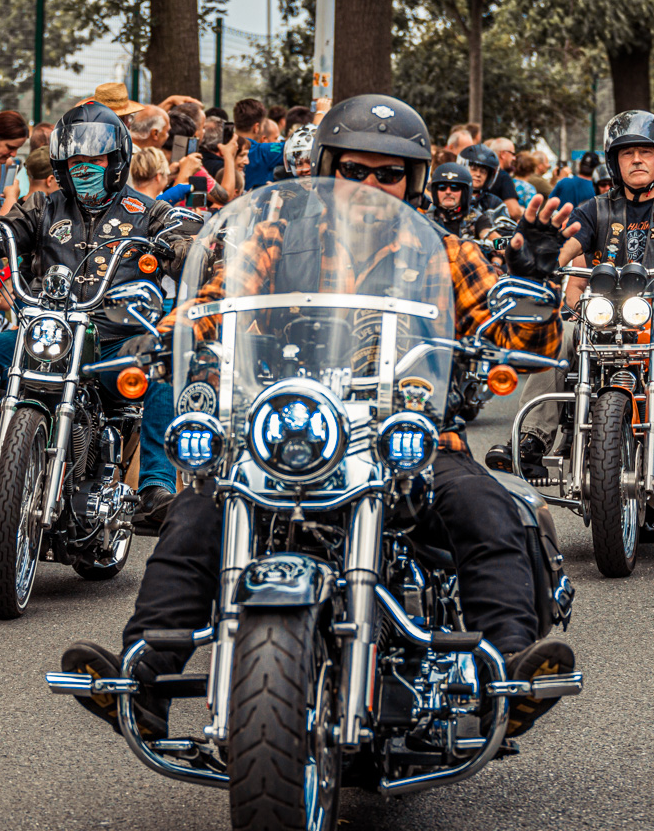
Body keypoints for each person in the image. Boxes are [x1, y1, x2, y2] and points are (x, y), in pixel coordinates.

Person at [58, 94, 576, 742]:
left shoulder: (442, 252)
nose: (369, 185)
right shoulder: (279, 231)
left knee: (484, 505)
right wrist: (168, 336)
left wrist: (538, 270)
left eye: (388, 174)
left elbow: (536, 344)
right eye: (355, 170)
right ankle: (144, 680)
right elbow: (220, 295)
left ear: (412, 181)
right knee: (197, 511)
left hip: (405, 439)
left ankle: (509, 673)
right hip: (287, 432)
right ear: (328, 166)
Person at [0, 103, 195, 525]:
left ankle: (156, 488)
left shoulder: (148, 212)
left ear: (116, 161)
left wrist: (190, 244)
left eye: (94, 160)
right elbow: (3, 231)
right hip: (48, 334)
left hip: (116, 342)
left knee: (164, 360)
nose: (84, 168)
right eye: (75, 161)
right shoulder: (42, 207)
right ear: (61, 165)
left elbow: (185, 235)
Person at [492, 111, 654, 485]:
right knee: (558, 333)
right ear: (615, 161)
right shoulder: (597, 207)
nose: (637, 159)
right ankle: (530, 440)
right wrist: (541, 260)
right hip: (602, 319)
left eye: (646, 151)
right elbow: (568, 242)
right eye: (627, 153)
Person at [426, 161, 493, 241]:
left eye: (454, 188)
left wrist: (508, 245)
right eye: (442, 187)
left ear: (465, 192)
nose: (448, 192)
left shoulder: (476, 218)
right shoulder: (426, 219)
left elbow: (490, 235)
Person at [231, 98, 283, 189]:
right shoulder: (264, 151)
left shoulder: (223, 148)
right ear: (256, 128)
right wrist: (317, 112)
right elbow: (300, 147)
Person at [458, 143, 506, 215]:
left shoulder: (494, 203)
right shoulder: (454, 194)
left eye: (483, 172)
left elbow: (504, 223)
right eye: (473, 169)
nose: (478, 174)